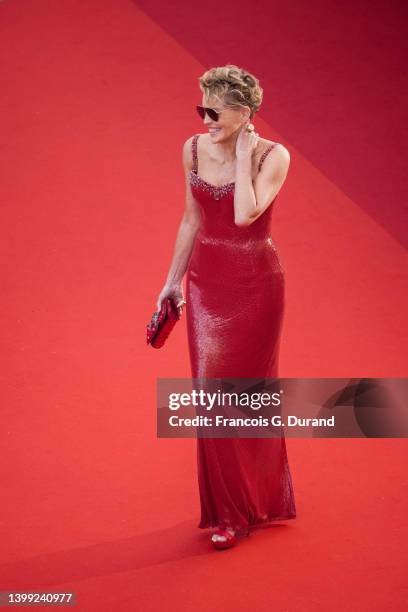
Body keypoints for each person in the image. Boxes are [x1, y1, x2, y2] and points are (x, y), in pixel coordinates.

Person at [156, 64, 296, 549]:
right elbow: (192, 217)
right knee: (211, 398)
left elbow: (243, 214)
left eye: (214, 110)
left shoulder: (273, 157)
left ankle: (245, 510)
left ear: (245, 112)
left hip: (256, 286)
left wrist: (240, 155)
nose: (205, 118)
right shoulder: (192, 149)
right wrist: (171, 282)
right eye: (202, 108)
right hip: (206, 285)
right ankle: (229, 508)